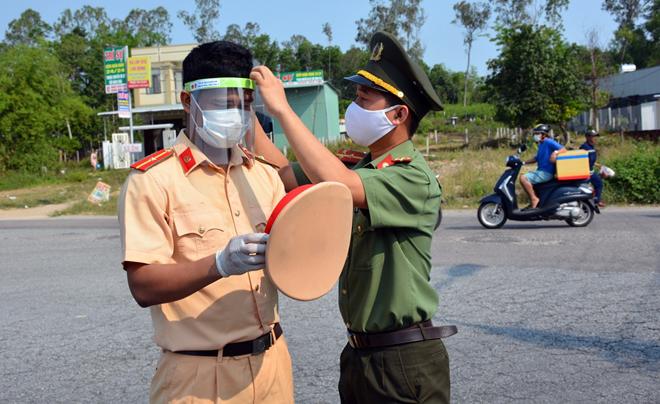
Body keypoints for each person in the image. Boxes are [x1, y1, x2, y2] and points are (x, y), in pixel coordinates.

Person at [251, 31, 456, 403]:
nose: (353, 107)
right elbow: (283, 174)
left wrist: (282, 109)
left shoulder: (412, 176)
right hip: (360, 355)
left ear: (398, 114)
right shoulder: (362, 166)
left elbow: (340, 184)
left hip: (403, 360)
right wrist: (245, 110)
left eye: (364, 99)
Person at [118, 41, 293, 404]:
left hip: (272, 364)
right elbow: (143, 286)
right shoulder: (153, 180)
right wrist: (218, 264)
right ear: (187, 102)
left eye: (242, 103)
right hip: (198, 377)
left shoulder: (263, 175)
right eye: (220, 103)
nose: (234, 112)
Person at [521, 124, 567, 208]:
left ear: (544, 135)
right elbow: (536, 158)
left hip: (546, 172)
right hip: (541, 171)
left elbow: (563, 149)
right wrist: (523, 162)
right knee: (527, 177)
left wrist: (555, 153)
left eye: (537, 133)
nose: (535, 135)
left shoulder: (548, 141)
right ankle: (536, 201)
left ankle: (534, 199)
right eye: (535, 133)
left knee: (523, 178)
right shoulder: (541, 144)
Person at [580, 129, 606, 207]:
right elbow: (581, 160)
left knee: (598, 184)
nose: (595, 138)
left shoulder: (591, 147)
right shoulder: (584, 147)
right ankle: (593, 201)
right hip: (586, 172)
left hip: (590, 171)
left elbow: (591, 161)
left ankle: (595, 200)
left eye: (595, 136)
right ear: (587, 137)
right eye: (593, 136)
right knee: (595, 185)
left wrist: (600, 166)